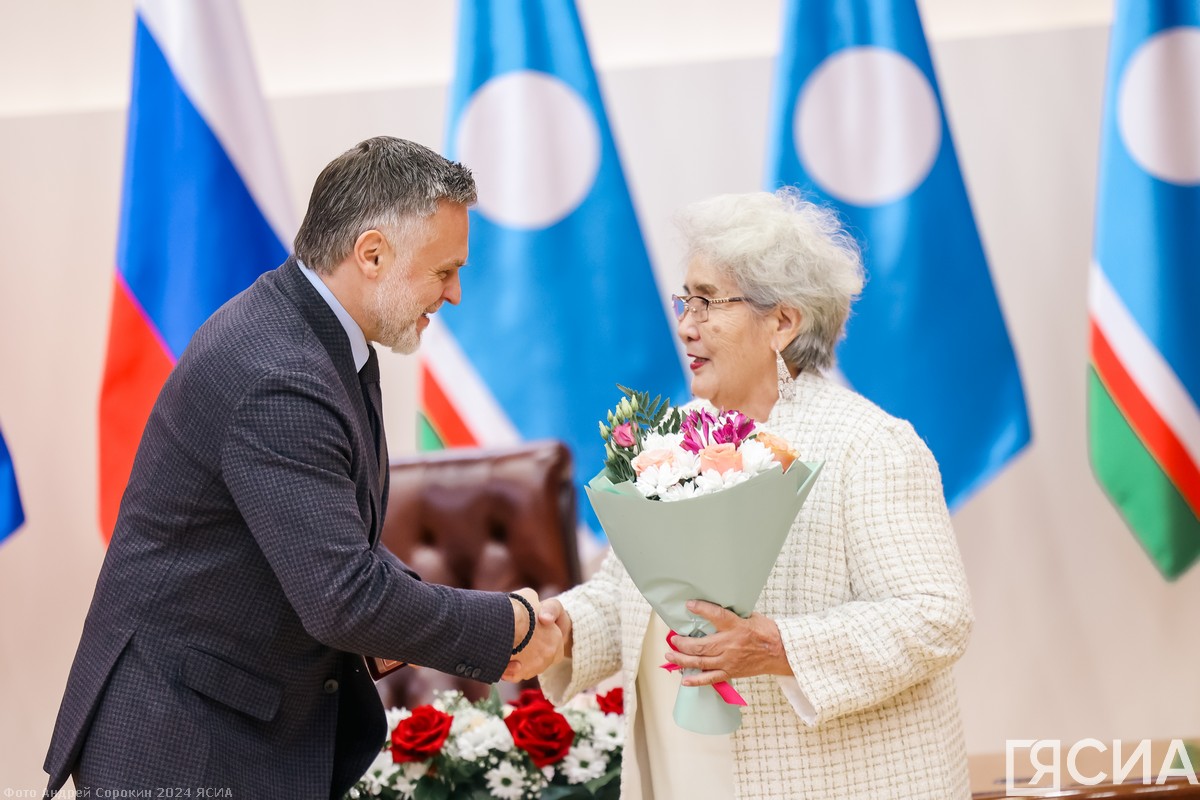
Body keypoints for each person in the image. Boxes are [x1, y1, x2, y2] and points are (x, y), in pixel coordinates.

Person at [44, 137, 563, 797]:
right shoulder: (278, 373)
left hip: (237, 725)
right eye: (444, 271)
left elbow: (328, 546)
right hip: (184, 745)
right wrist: (509, 623)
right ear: (371, 254)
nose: (455, 293)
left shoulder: (329, 338)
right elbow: (344, 598)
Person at [540, 190, 974, 799]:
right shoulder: (676, 437)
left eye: (709, 302)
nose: (686, 324)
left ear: (784, 322)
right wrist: (559, 631)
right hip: (680, 772)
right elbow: (629, 597)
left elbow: (935, 616)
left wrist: (777, 647)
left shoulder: (869, 444)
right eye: (685, 300)